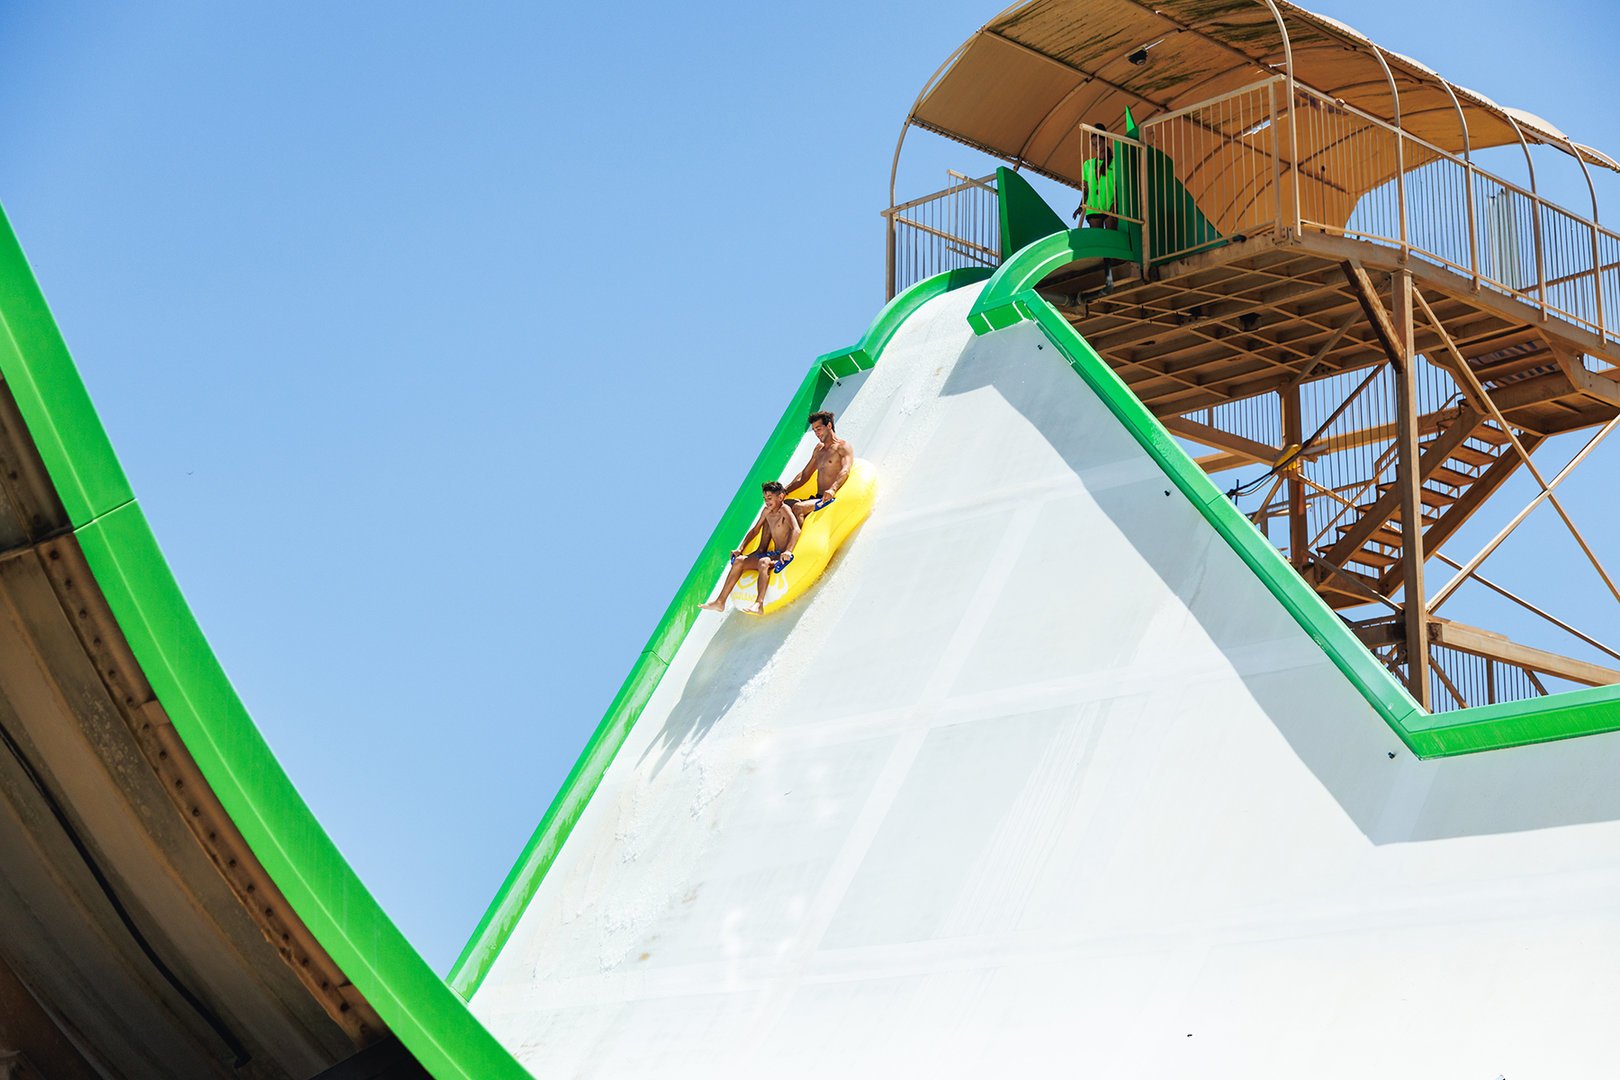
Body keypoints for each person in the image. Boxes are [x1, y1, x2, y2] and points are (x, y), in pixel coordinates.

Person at [699, 481, 802, 614]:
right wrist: (740, 549)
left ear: (780, 497)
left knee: (763, 561)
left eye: (770, 498)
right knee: (739, 561)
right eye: (765, 499)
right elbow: (754, 530)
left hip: (782, 553)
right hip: (774, 552)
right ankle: (720, 602)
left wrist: (788, 550)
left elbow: (796, 529)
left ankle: (758, 604)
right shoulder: (766, 511)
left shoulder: (784, 510)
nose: (767, 502)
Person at [783, 410, 854, 526]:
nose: (816, 433)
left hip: (831, 497)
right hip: (817, 498)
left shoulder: (842, 447)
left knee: (798, 508)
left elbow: (845, 470)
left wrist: (833, 489)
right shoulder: (819, 449)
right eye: (814, 430)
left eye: (819, 429)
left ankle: (800, 542)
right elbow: (804, 475)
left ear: (829, 425)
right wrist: (784, 491)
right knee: (783, 505)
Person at [1072, 125, 1117, 231]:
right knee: (1098, 240)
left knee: (1111, 240)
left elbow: (1118, 185)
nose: (1096, 146)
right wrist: (1080, 206)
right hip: (1093, 209)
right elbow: (1086, 189)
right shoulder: (1087, 164)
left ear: (1105, 141)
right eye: (1093, 144)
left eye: (1098, 143)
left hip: (1110, 209)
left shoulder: (1116, 162)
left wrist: (1116, 204)